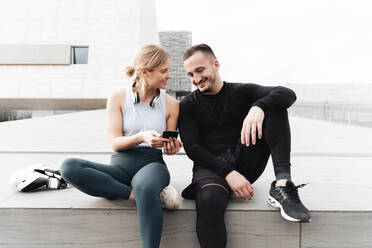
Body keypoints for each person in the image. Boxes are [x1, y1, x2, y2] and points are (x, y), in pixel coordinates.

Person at [178, 43, 311, 248]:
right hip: (211, 168)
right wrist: (228, 173)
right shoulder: (188, 104)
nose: (196, 79)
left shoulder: (241, 91)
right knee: (209, 198)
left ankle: (283, 185)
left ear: (216, 64)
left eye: (200, 70)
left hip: (247, 158)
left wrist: (259, 106)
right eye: (190, 74)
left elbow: (287, 93)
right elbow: (193, 148)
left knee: (275, 106)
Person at [60, 44, 183, 248]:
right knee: (69, 166)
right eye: (164, 71)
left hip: (151, 165)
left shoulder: (171, 104)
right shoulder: (118, 97)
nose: (168, 76)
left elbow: (168, 147)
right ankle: (136, 194)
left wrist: (171, 148)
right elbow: (115, 143)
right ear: (145, 72)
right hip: (121, 165)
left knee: (144, 185)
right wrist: (141, 137)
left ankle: (141, 193)